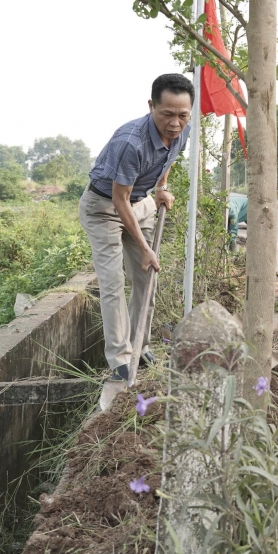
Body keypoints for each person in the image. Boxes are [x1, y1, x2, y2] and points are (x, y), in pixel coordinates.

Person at [78, 73, 192, 381]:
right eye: (167, 114)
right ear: (151, 106)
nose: (175, 123)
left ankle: (139, 346)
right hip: (104, 207)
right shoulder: (130, 142)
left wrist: (162, 187)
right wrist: (144, 248)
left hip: (140, 203)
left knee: (147, 280)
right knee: (113, 283)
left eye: (182, 115)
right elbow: (119, 199)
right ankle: (119, 360)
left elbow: (168, 158)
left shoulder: (183, 130)